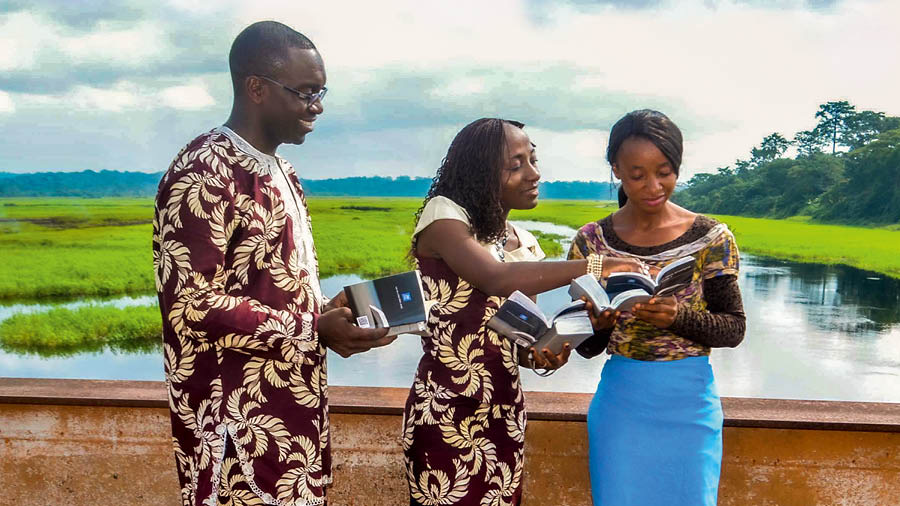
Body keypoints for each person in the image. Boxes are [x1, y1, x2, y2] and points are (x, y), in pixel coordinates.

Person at [153, 21, 394, 506]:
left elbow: (269, 289)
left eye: (321, 91)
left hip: (294, 416)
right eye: (304, 92)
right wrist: (313, 328)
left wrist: (330, 311)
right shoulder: (203, 172)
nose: (317, 106)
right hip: (235, 427)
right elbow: (191, 307)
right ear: (256, 88)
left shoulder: (284, 172)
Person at [402, 118, 640, 505]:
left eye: (532, 160)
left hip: (504, 410)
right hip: (447, 410)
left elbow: (519, 338)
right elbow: (494, 278)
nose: (534, 174)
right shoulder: (444, 219)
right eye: (516, 165)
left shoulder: (520, 243)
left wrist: (546, 351)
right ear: (481, 173)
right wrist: (594, 266)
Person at [568, 109, 747, 505]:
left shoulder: (711, 237)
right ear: (616, 169)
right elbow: (585, 347)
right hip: (621, 404)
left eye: (665, 172)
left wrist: (677, 317)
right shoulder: (591, 243)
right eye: (638, 175)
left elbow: (734, 328)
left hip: (689, 404)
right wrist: (600, 324)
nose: (654, 186)